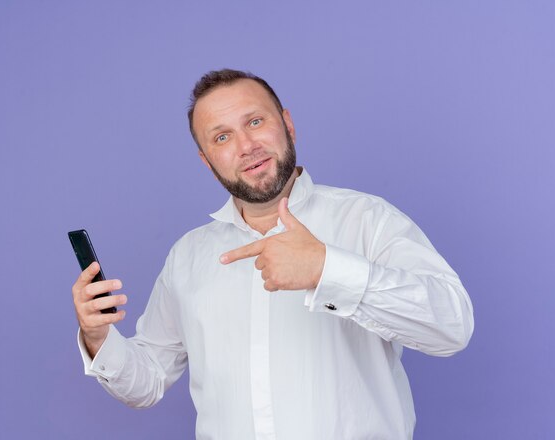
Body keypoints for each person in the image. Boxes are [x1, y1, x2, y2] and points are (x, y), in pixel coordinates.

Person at [72, 69, 474, 439]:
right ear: (207, 161)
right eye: (222, 137)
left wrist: (326, 269)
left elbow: (451, 327)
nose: (247, 146)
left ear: (288, 124)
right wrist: (98, 337)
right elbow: (148, 381)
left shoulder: (368, 219)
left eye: (255, 121)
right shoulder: (188, 257)